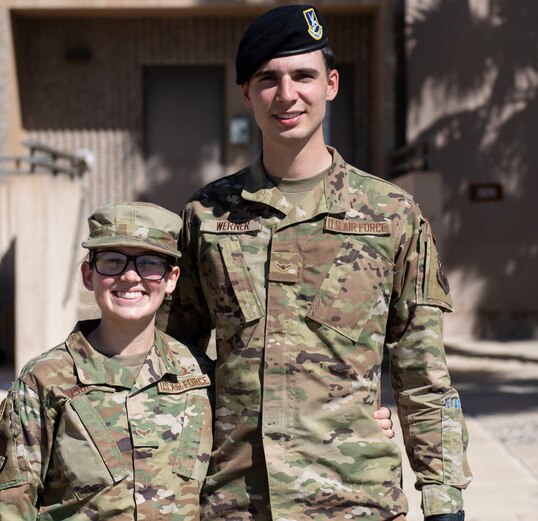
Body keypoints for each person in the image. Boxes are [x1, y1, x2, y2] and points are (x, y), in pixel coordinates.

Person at [167, 4, 472, 521]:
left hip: (356, 499)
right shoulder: (206, 216)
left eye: (303, 76)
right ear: (246, 93)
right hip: (237, 501)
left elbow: (422, 373)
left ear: (331, 84)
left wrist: (443, 499)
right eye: (268, 79)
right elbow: (174, 359)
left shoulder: (391, 214)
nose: (287, 95)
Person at [0, 202, 212, 520]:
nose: (130, 276)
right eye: (113, 261)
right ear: (89, 275)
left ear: (171, 280)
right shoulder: (45, 380)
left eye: (149, 263)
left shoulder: (200, 375)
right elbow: (10, 508)